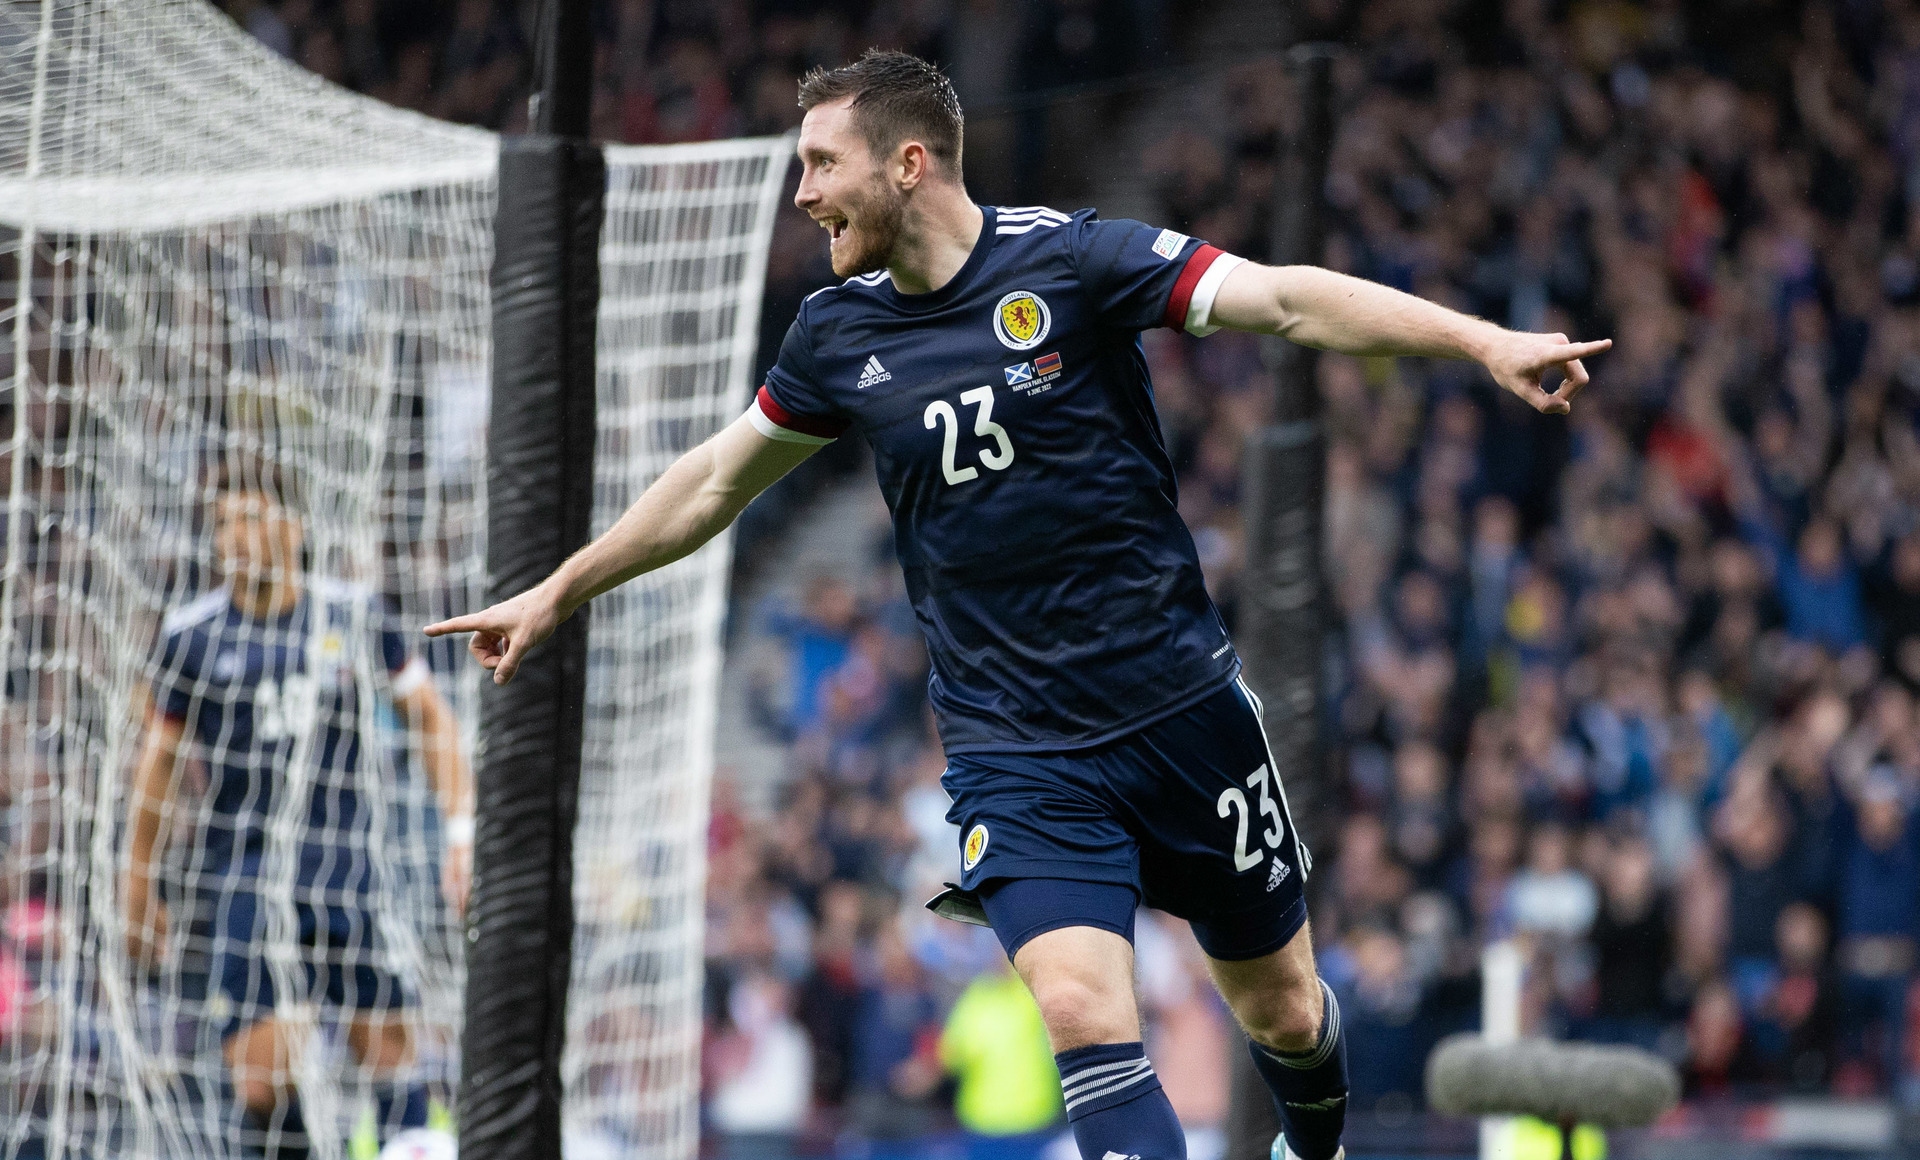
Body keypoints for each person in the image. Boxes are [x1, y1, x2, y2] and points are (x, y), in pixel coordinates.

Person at [426, 50, 1608, 1160]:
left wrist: (1480, 339)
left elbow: (1287, 301)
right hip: (1017, 745)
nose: (802, 196)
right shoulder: (835, 334)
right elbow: (715, 481)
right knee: (1084, 1006)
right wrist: (562, 586)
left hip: (1180, 707)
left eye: (820, 165)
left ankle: (1320, 1138)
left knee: (1286, 1010)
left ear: (908, 163)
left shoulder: (1075, 261)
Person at [127, 460, 473, 1158]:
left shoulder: (353, 614)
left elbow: (431, 721)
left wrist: (461, 835)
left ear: (294, 526)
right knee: (261, 1082)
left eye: (249, 517)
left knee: (392, 1057)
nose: (233, 536)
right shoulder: (190, 636)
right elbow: (158, 762)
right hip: (247, 875)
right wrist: (138, 874)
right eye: (222, 523)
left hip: (350, 866)